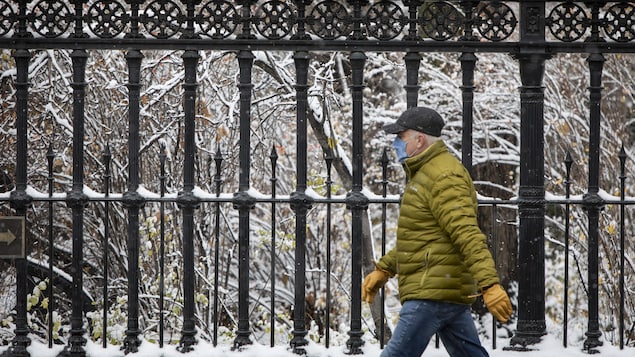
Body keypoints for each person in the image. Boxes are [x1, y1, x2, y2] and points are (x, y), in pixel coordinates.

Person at [362, 106, 512, 357]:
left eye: (401, 137)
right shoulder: (426, 174)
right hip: (444, 289)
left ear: (419, 140)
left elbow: (467, 233)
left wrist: (489, 284)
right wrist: (385, 268)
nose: (396, 144)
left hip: (429, 292)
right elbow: (423, 238)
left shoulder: (443, 176)